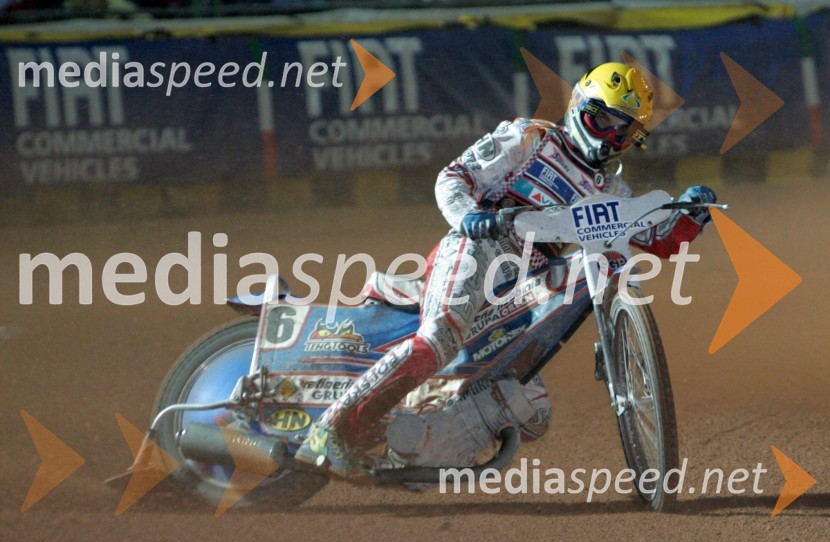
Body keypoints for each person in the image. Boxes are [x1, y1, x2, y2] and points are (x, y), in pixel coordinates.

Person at [295, 62, 716, 475]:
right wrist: (467, 216)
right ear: (578, 105)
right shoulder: (529, 137)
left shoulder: (611, 190)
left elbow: (652, 237)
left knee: (531, 411)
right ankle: (331, 430)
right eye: (601, 119)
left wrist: (688, 215)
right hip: (477, 248)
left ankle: (404, 457)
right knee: (439, 338)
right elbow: (453, 177)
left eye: (623, 130)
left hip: (520, 290)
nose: (609, 136)